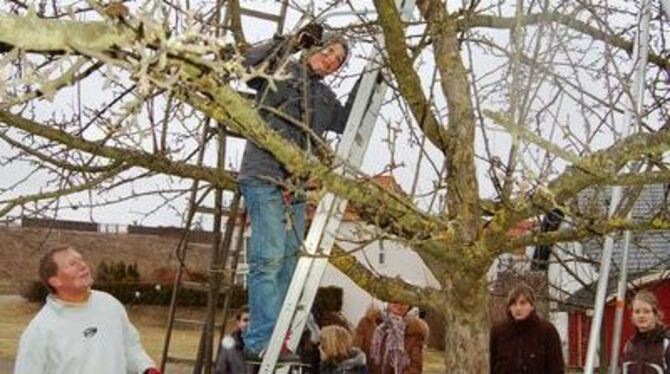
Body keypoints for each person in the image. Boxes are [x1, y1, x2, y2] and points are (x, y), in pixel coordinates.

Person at [237, 23, 357, 361]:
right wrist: (290, 42)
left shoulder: (323, 96)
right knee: (270, 259)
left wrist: (370, 81)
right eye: (329, 51)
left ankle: (282, 338)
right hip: (265, 177)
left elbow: (346, 122)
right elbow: (248, 64)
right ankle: (260, 341)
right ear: (314, 47)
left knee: (291, 265)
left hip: (297, 187)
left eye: (339, 60)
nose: (332, 60)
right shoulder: (282, 70)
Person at [14, 245, 159, 374]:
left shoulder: (109, 304)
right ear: (55, 281)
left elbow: (130, 346)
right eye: (72, 264)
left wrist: (146, 368)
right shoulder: (40, 329)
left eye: (81, 260)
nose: (83, 266)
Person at [489, 285, 564, 374]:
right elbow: (492, 364)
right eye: (513, 304)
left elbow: (556, 368)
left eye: (523, 303)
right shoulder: (498, 331)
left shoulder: (547, 331)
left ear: (532, 306)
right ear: (509, 307)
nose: (518, 308)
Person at [353, 302, 429, 374]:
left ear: (409, 306)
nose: (399, 305)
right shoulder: (368, 322)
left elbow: (414, 368)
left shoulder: (414, 330)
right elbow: (354, 354)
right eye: (395, 300)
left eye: (404, 302)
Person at [621, 290, 670, 374]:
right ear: (632, 316)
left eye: (646, 311)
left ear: (655, 315)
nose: (641, 315)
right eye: (637, 312)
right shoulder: (629, 346)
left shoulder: (666, 343)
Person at [214, 305, 251, 374]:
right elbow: (220, 371)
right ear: (238, 322)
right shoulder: (228, 345)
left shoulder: (264, 346)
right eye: (245, 320)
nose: (249, 324)